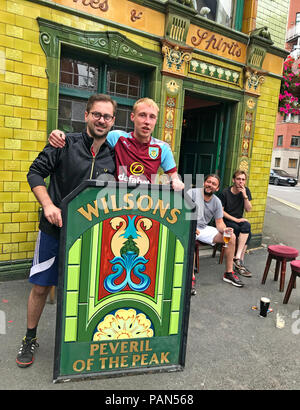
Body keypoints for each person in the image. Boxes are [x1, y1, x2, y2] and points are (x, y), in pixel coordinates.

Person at [16, 94, 117, 368]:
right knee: (40, 287)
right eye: (96, 114)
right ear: (86, 115)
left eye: (107, 116)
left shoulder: (113, 154)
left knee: (81, 289)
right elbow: (35, 173)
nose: (101, 120)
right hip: (54, 231)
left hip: (88, 236)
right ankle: (29, 337)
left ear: (113, 122)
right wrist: (48, 204)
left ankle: (76, 342)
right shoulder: (64, 143)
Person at [49, 97, 184, 191]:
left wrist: (177, 181)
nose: (147, 121)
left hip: (143, 204)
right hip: (114, 203)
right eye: (142, 115)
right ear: (133, 117)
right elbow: (90, 137)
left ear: (156, 121)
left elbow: (173, 175)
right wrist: (61, 135)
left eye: (152, 117)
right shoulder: (117, 137)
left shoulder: (162, 148)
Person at [187, 174, 245, 288]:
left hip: (203, 228)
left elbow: (219, 223)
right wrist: (191, 227)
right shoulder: (192, 193)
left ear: (217, 188)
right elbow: (180, 213)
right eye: (208, 182)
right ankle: (190, 277)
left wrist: (225, 230)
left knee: (231, 236)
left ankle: (228, 273)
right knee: (190, 238)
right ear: (204, 183)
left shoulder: (217, 201)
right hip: (188, 226)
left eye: (214, 184)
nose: (210, 185)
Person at [219, 170, 252, 277]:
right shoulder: (225, 192)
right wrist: (236, 220)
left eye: (243, 179)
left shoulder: (246, 191)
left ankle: (237, 258)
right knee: (247, 233)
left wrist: (245, 196)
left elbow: (248, 209)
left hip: (239, 220)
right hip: (226, 221)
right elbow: (221, 212)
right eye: (238, 179)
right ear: (233, 180)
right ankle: (239, 264)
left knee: (247, 226)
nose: (240, 182)